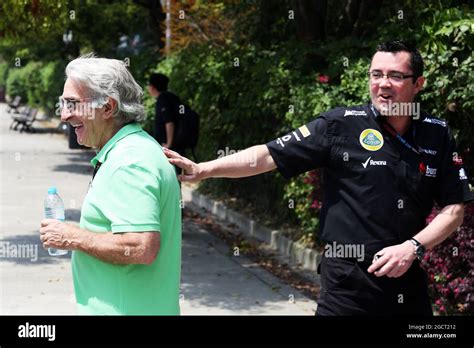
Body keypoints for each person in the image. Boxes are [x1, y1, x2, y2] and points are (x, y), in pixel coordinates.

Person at [164, 40, 473, 315]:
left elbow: (454, 210)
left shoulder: (436, 133)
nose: (383, 84)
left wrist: (413, 247)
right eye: (376, 74)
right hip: (347, 283)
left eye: (395, 76)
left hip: (408, 277)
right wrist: (204, 169)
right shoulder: (340, 125)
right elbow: (267, 155)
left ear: (418, 84)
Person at [39, 55, 182, 315]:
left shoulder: (130, 161)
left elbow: (141, 247)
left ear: (107, 108)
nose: (63, 115)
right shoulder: (132, 149)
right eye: (63, 104)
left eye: (72, 103)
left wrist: (72, 237)